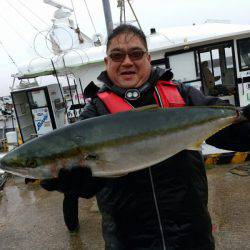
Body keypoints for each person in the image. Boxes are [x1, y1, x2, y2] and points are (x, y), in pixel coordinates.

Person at [41, 24, 250, 249]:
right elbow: (90, 180)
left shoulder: (183, 97)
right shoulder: (94, 114)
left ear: (149, 58)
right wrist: (78, 184)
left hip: (191, 237)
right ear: (107, 63)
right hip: (128, 242)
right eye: (117, 55)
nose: (127, 61)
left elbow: (234, 135)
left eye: (136, 54)